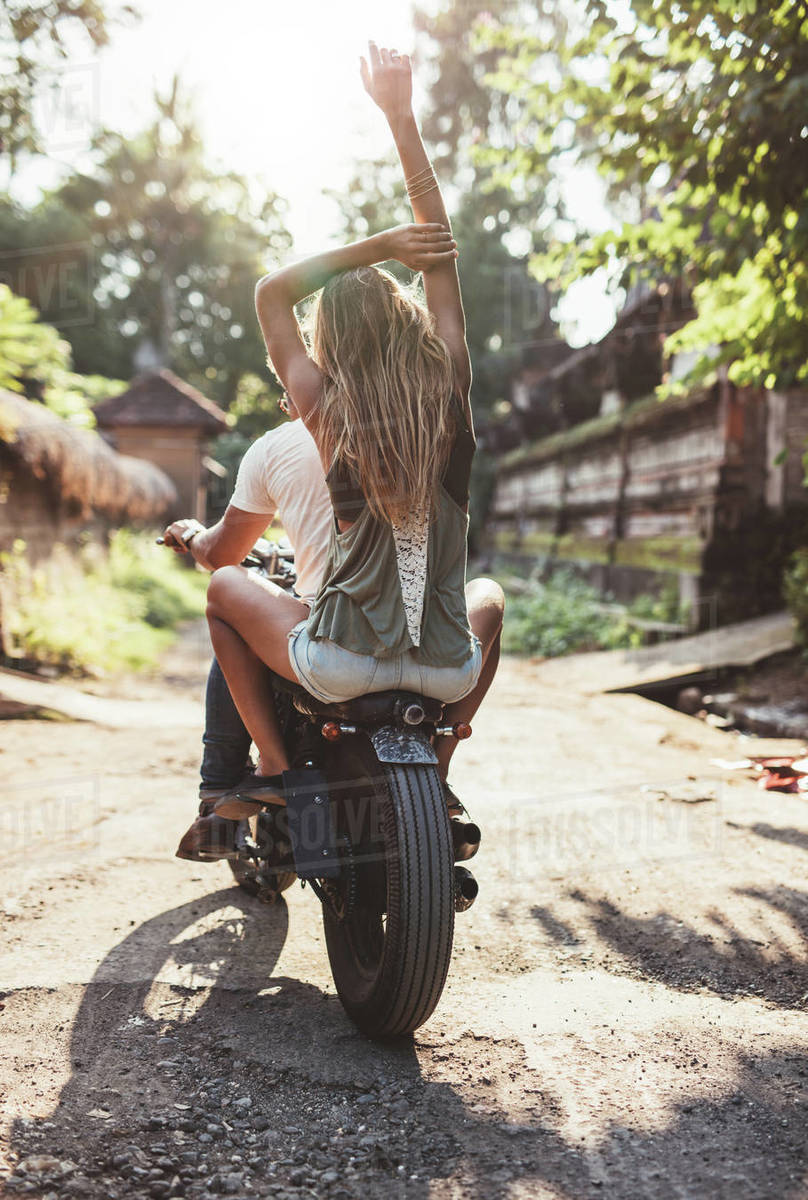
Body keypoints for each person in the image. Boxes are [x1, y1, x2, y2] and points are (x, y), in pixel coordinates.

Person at [200, 43, 504, 820]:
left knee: (227, 587)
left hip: (340, 667)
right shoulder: (451, 394)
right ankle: (437, 773)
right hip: (445, 673)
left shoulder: (326, 413)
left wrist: (373, 250)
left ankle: (272, 761)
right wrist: (402, 118)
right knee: (491, 598)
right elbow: (439, 248)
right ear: (412, 332)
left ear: (330, 342)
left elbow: (271, 292)